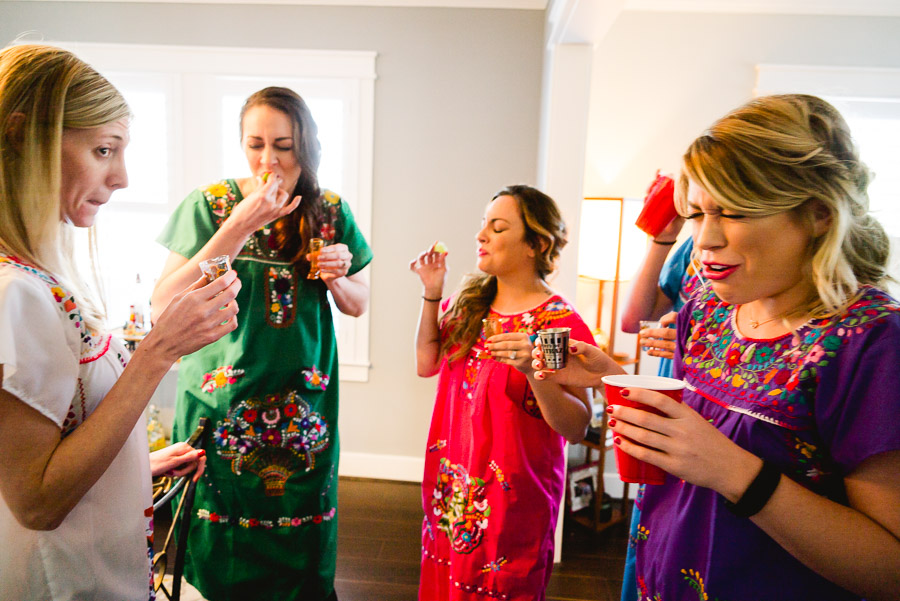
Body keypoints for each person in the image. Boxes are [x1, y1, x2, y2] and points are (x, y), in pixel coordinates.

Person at [534, 94, 900, 600]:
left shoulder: (873, 344)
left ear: (817, 213)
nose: (704, 239)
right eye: (699, 212)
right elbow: (701, 422)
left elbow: (888, 569)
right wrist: (611, 381)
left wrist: (736, 473)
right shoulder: (706, 307)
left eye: (733, 212)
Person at [0, 43, 239, 600]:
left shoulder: (38, 278)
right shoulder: (16, 296)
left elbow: (51, 442)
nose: (124, 176)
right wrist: (160, 351)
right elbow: (36, 501)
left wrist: (139, 464)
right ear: (22, 136)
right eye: (104, 149)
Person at [151, 86, 372, 601]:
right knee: (217, 523)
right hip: (220, 400)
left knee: (301, 524)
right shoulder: (211, 205)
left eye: (284, 145)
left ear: (306, 146)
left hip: (304, 405)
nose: (268, 159)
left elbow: (359, 303)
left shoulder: (330, 211)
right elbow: (163, 305)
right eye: (255, 144)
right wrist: (238, 224)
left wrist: (338, 275)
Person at [410, 185, 596, 601]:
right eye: (483, 226)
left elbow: (577, 426)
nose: (481, 236)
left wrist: (536, 371)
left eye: (497, 227)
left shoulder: (555, 323)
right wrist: (432, 291)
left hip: (514, 499)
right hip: (453, 487)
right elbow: (426, 364)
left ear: (536, 245)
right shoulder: (469, 302)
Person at [617, 191, 699, 601]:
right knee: (658, 531)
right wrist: (662, 238)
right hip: (673, 398)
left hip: (713, 409)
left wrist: (691, 341)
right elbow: (633, 319)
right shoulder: (691, 248)